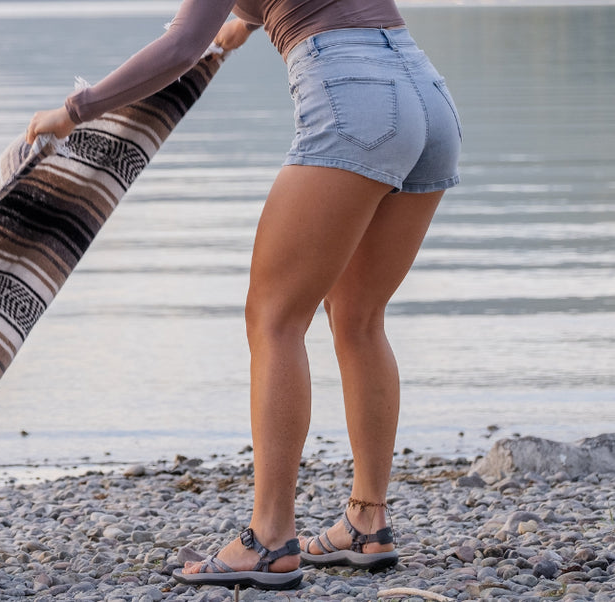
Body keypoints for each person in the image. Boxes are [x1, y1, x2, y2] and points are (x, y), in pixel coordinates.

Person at [26, 0, 461, 591]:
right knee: (359, 318)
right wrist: (245, 23)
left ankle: (270, 536)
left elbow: (179, 48)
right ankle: (366, 523)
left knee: (275, 319)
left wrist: (75, 110)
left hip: (352, 96)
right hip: (426, 94)